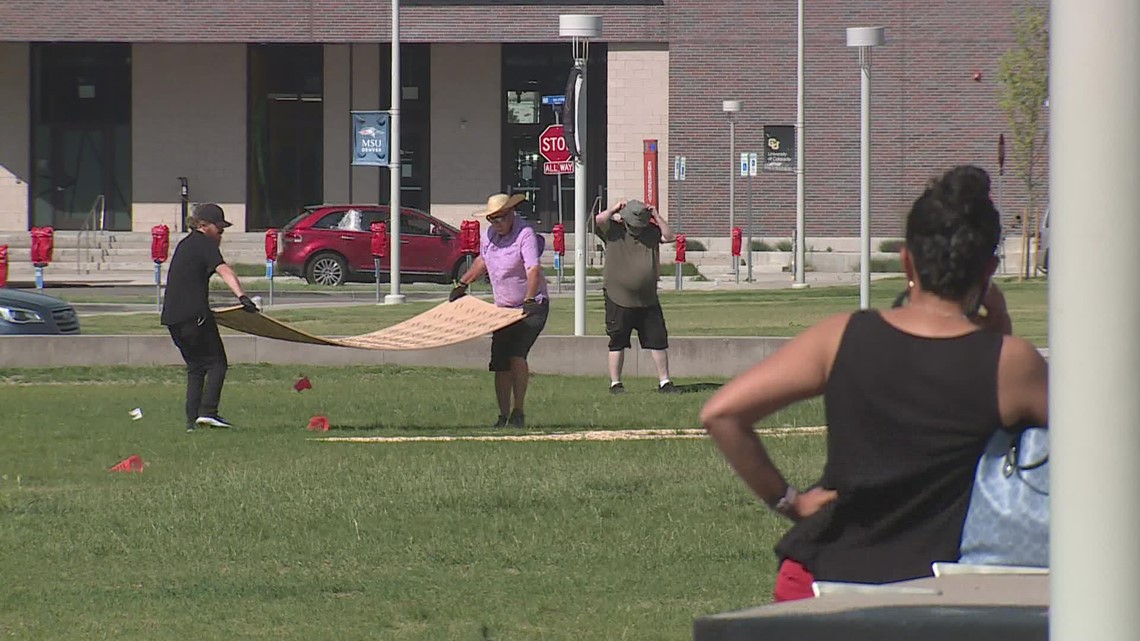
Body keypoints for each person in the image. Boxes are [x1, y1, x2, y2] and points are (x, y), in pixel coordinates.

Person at [699, 165, 1049, 600]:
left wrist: (790, 500)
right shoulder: (1011, 363)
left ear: (907, 259)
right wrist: (999, 330)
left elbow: (722, 413)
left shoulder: (842, 336)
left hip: (817, 581)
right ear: (989, 269)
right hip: (933, 591)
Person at [450, 193, 549, 428]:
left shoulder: (525, 234)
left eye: (500, 218)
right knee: (500, 362)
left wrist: (529, 298)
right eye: (492, 219)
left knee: (517, 355)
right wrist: (463, 284)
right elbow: (482, 261)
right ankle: (503, 415)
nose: (497, 223)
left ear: (511, 213)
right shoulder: (489, 236)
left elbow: (532, 269)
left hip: (531, 307)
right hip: (503, 310)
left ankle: (519, 412)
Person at [161, 203, 258, 432]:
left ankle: (191, 421)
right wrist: (242, 297)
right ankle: (209, 412)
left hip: (173, 319)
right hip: (195, 316)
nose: (221, 234)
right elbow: (223, 269)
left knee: (196, 367)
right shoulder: (204, 243)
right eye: (219, 229)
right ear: (203, 225)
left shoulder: (186, 245)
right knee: (217, 364)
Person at [594, 198, 680, 394]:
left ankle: (664, 382)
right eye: (633, 223)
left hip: (647, 298)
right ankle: (616, 383)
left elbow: (670, 236)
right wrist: (614, 208)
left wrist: (657, 216)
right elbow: (599, 220)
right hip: (618, 297)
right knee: (617, 340)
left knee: (658, 340)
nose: (637, 228)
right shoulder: (613, 231)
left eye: (640, 223)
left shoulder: (651, 232)